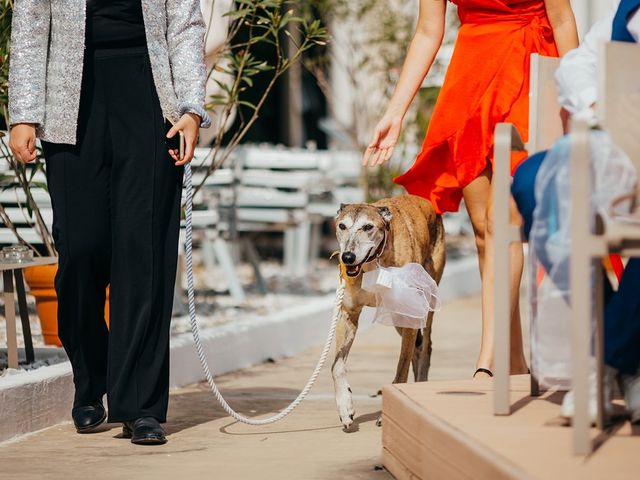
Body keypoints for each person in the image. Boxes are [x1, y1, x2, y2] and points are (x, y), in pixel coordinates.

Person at [8, 0, 211, 445]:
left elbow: (185, 24)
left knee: (145, 254)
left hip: (151, 96)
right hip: (70, 100)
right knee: (80, 249)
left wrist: (192, 108)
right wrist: (23, 112)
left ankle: (140, 405)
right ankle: (91, 375)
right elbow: (29, 21)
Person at [363, 0, 578, 377]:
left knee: (502, 221)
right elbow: (429, 31)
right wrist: (395, 111)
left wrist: (579, 104)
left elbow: (562, 20)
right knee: (483, 232)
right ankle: (513, 361)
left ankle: (487, 363)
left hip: (530, 70)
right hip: (472, 76)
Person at [511, 0, 640, 423]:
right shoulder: (628, 12)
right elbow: (574, 66)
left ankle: (607, 363)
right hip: (617, 151)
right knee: (531, 181)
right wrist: (595, 108)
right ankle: (622, 356)